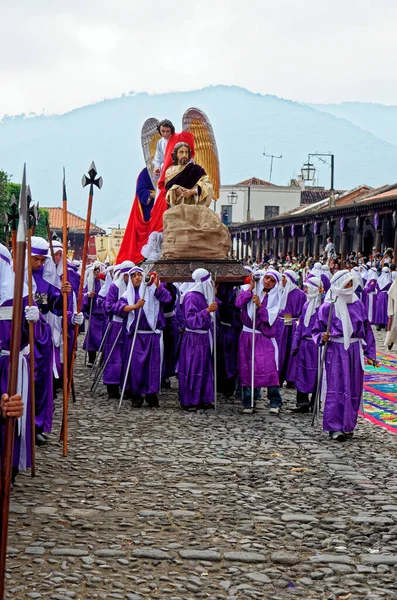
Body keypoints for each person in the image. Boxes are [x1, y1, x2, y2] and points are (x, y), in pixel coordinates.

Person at [312, 270, 376, 441]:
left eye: (351, 282)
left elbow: (366, 329)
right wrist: (322, 336)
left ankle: (348, 425)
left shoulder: (358, 304)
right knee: (337, 387)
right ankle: (334, 426)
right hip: (336, 350)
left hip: (354, 350)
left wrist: (370, 352)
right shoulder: (328, 306)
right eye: (346, 283)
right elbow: (317, 329)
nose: (349, 286)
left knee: (353, 387)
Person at [119, 267, 171, 408]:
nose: (137, 278)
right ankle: (136, 395)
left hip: (152, 335)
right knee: (136, 367)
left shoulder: (152, 291)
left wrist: (158, 285)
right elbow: (119, 307)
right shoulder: (128, 294)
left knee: (152, 366)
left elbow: (167, 299)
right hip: (136, 336)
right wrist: (135, 306)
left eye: (139, 275)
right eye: (134, 275)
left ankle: (151, 393)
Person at [235, 270, 282, 415]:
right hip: (247, 334)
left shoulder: (276, 297)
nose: (268, 281)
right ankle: (248, 401)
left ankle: (275, 401)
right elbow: (238, 304)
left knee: (269, 367)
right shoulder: (247, 290)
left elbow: (270, 318)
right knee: (247, 368)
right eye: (267, 278)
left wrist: (260, 306)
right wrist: (250, 290)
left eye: (272, 280)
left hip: (263, 336)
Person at [178, 268, 218, 411]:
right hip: (193, 338)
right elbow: (190, 319)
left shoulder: (204, 295)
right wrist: (207, 311)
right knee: (192, 368)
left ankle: (203, 398)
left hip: (204, 337)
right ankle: (189, 400)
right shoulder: (191, 296)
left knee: (205, 368)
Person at [291, 277, 322, 413]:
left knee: (316, 374)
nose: (305, 290)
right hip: (304, 345)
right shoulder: (306, 305)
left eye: (308, 287)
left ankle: (315, 403)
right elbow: (300, 327)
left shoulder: (323, 307)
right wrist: (295, 343)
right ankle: (302, 403)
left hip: (316, 346)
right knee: (301, 372)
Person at [277, 269, 306, 388]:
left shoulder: (299, 294)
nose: (282, 280)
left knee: (290, 350)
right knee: (280, 351)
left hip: (290, 325)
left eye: (285, 278)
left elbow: (300, 312)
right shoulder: (280, 290)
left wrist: (288, 322)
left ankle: (290, 377)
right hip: (280, 324)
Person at [165, 142, 213, 207]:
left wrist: (193, 192)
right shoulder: (169, 172)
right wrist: (174, 191)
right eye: (181, 152)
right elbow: (167, 192)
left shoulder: (196, 169)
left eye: (186, 152)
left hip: (192, 207)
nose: (184, 155)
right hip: (177, 209)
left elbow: (207, 186)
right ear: (176, 154)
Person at [82, 262, 106, 366]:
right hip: (94, 315)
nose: (96, 272)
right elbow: (83, 295)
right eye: (95, 270)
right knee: (92, 339)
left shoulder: (106, 283)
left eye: (98, 270)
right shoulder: (90, 283)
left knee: (105, 338)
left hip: (104, 316)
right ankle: (91, 359)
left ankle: (102, 360)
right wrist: (88, 296)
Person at [374, 266, 392, 331]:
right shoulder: (389, 280)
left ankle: (378, 325)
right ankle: (386, 325)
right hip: (387, 295)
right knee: (386, 309)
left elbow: (376, 288)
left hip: (380, 295)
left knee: (379, 310)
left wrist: (378, 295)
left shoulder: (379, 279)